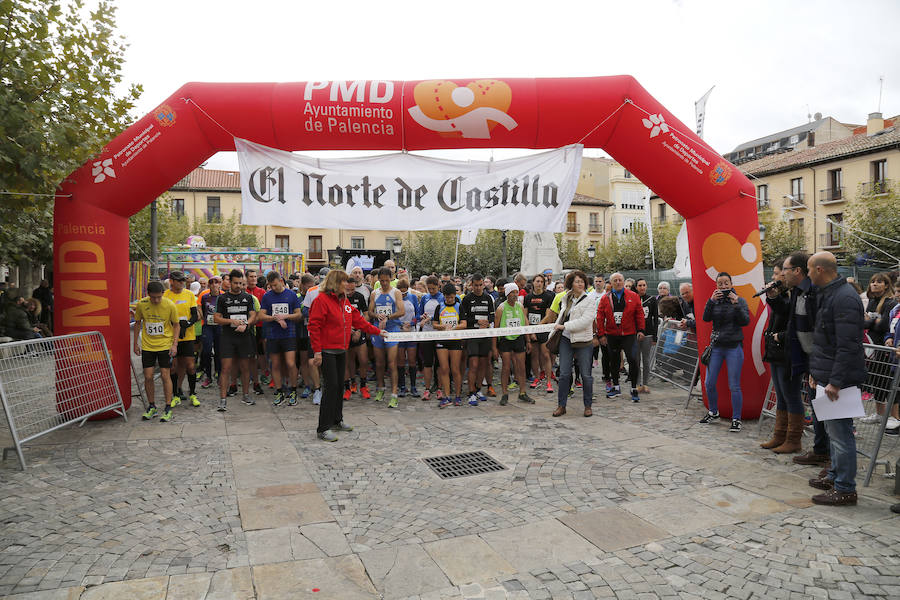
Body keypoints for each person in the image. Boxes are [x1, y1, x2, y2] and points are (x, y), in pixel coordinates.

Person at [805, 252, 866, 506]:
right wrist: (817, 374)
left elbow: (847, 344)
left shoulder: (844, 298)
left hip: (839, 380)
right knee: (833, 432)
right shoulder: (830, 294)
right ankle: (835, 476)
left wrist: (835, 381)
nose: (807, 274)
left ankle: (845, 488)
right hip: (827, 375)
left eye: (809, 269)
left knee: (841, 435)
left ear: (820, 270)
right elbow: (824, 340)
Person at [308, 270, 383, 442]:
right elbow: (314, 327)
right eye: (344, 282)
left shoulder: (345, 301)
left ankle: (336, 420)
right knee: (331, 387)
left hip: (341, 349)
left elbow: (358, 320)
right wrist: (317, 351)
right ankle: (323, 428)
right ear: (335, 283)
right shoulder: (321, 300)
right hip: (327, 351)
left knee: (339, 386)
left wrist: (378, 331)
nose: (348, 284)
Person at [698, 272, 751, 432]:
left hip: (733, 346)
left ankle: (736, 419)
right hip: (717, 346)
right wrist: (710, 301)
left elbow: (745, 321)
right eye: (720, 284)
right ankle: (713, 412)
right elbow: (706, 318)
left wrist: (736, 304)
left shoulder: (739, 300)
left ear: (731, 283)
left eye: (726, 283)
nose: (723, 286)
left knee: (734, 385)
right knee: (709, 382)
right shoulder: (714, 301)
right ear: (716, 286)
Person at [551, 271, 598, 417]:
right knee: (564, 374)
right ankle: (561, 405)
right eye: (577, 281)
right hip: (566, 339)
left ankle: (588, 405)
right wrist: (556, 329)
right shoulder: (567, 297)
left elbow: (585, 321)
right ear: (571, 283)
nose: (580, 284)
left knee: (586, 375)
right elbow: (562, 316)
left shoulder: (590, 300)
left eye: (582, 281)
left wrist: (565, 326)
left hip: (583, 340)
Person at [132, 281, 180, 422]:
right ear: (148, 294)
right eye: (153, 297)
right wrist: (135, 343)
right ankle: (151, 406)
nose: (156, 300)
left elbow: (176, 325)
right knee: (148, 376)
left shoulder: (169, 305)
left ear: (163, 294)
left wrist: (174, 344)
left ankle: (167, 406)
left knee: (165, 375)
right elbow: (138, 322)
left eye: (159, 297)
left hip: (165, 344)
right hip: (148, 346)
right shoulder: (142, 304)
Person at [596, 273, 645, 402]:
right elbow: (600, 317)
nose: (618, 282)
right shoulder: (605, 298)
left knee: (633, 360)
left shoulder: (633, 296)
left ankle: (634, 388)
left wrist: (641, 330)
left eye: (620, 280)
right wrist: (601, 334)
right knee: (614, 361)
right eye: (615, 280)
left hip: (629, 334)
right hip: (612, 334)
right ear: (611, 283)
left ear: (623, 282)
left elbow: (639, 314)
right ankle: (616, 386)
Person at [214, 269, 258, 410]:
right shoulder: (222, 298)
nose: (239, 286)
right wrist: (231, 321)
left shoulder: (248, 298)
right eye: (236, 283)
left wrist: (246, 324)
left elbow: (253, 316)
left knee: (245, 368)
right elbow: (216, 318)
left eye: (241, 283)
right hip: (228, 337)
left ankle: (245, 395)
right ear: (229, 282)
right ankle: (222, 399)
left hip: (244, 337)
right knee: (226, 368)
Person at [258, 271, 302, 406]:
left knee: (290, 363)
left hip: (289, 334)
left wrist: (286, 317)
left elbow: (298, 315)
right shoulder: (267, 296)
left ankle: (293, 390)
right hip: (273, 334)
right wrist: (274, 318)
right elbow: (261, 316)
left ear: (281, 282)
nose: (273, 288)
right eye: (271, 286)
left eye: (275, 285)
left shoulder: (292, 295)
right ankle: (279, 391)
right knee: (275, 364)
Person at [368, 266, 405, 407]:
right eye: (381, 280)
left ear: (391, 279)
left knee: (391, 363)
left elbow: (401, 311)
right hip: (378, 330)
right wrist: (377, 315)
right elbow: (370, 312)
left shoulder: (396, 293)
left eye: (386, 280)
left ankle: (394, 393)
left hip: (392, 330)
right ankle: (381, 387)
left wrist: (388, 317)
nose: (384, 283)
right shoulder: (374, 293)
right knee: (379, 363)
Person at [163, 271, 201, 408]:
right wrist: (174, 325)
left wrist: (188, 324)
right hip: (171, 337)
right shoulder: (165, 295)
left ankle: (192, 393)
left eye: (183, 281)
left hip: (188, 336)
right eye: (178, 281)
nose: (181, 283)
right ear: (171, 281)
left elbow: (195, 315)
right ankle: (176, 395)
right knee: (173, 367)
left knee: (190, 366)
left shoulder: (190, 294)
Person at [459, 273, 495, 405]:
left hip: (485, 336)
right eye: (476, 285)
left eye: (481, 285)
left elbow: (492, 316)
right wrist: (476, 321)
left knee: (483, 364)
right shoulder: (467, 299)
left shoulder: (488, 298)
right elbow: (463, 319)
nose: (479, 288)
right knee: (473, 364)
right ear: (471, 285)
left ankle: (479, 389)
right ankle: (471, 391)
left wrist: (487, 322)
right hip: (472, 336)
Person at [494, 282, 533, 405]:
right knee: (506, 367)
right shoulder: (501, 308)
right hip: (505, 339)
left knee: (521, 366)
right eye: (512, 292)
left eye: (516, 292)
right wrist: (494, 347)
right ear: (507, 294)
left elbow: (525, 322)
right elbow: (495, 328)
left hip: (518, 338)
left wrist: (528, 340)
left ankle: (522, 392)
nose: (515, 295)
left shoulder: (520, 306)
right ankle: (504, 393)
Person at [433, 282, 464, 408]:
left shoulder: (459, 306)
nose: (449, 299)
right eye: (447, 297)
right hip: (442, 340)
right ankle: (446, 396)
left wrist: (454, 328)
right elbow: (435, 324)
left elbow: (464, 324)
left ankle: (457, 395)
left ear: (455, 295)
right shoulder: (439, 307)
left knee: (455, 369)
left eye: (451, 297)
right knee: (444, 369)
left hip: (455, 340)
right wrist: (443, 327)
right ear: (444, 296)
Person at [525, 273, 555, 394]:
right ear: (533, 282)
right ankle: (536, 378)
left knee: (546, 355)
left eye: (541, 282)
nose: (539, 284)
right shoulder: (528, 297)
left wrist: (539, 326)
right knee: (534, 355)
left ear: (544, 284)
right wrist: (531, 330)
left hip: (543, 329)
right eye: (537, 281)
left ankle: (548, 381)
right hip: (532, 329)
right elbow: (525, 315)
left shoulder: (548, 296)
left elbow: (549, 315)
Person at [344, 276, 372, 401]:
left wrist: (360, 330)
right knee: (348, 360)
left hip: (359, 331)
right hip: (345, 333)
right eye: (348, 289)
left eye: (352, 288)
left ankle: (363, 385)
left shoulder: (360, 297)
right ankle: (349, 385)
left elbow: (366, 315)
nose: (350, 291)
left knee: (363, 360)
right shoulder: (340, 298)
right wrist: (348, 329)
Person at [418, 276, 444, 401]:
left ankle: (439, 388)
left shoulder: (442, 298)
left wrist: (431, 318)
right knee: (427, 363)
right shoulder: (424, 297)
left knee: (439, 363)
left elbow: (444, 314)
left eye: (433, 289)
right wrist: (422, 316)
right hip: (427, 333)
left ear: (438, 286)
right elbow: (418, 314)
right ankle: (427, 389)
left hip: (439, 333)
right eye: (429, 289)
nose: (431, 291)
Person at [245, 268, 268, 395]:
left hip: (260, 326)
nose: (253, 279)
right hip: (247, 326)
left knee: (261, 352)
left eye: (255, 277)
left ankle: (264, 373)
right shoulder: (243, 291)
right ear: (246, 278)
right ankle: (247, 376)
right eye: (251, 277)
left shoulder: (262, 292)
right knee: (249, 353)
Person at [396, 279, 419, 398]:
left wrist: (411, 323)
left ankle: (414, 386)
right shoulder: (395, 299)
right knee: (400, 360)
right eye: (401, 293)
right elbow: (393, 316)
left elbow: (418, 314)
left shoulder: (413, 297)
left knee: (411, 360)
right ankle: (402, 386)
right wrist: (400, 325)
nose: (403, 295)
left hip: (411, 332)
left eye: (405, 293)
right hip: (399, 332)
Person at [635, 278, 658, 394]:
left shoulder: (652, 299)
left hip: (648, 333)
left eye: (644, 285)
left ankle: (646, 384)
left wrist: (655, 336)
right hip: (635, 334)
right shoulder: (633, 299)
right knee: (636, 360)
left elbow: (655, 318)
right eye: (640, 285)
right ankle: (638, 383)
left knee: (646, 359)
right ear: (636, 287)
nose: (642, 287)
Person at [198, 276, 223, 389]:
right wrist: (203, 317)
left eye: (216, 282)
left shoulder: (223, 296)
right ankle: (208, 376)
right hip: (208, 327)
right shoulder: (204, 296)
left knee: (219, 351)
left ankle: (218, 373)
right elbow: (200, 308)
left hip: (220, 327)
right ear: (209, 285)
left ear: (220, 284)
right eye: (211, 283)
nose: (214, 284)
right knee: (207, 351)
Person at [864, 272, 897, 344]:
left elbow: (883, 326)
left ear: (886, 286)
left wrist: (870, 321)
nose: (874, 284)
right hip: (870, 342)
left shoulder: (890, 303)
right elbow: (863, 324)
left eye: (879, 282)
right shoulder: (871, 302)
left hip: (882, 345)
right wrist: (875, 321)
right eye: (872, 282)